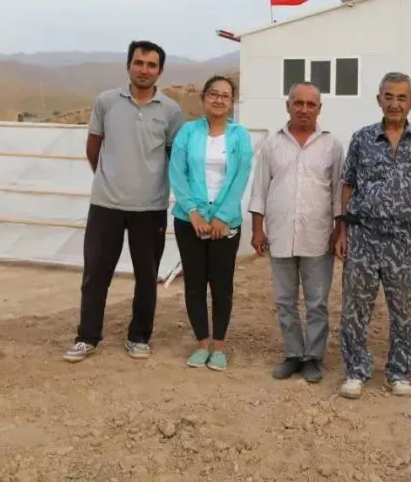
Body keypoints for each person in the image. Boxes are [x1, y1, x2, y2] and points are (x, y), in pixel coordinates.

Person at [64, 40, 184, 363]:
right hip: (106, 205)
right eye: (139, 63)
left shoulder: (171, 111)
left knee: (146, 276)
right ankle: (87, 336)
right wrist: (107, 178)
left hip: (150, 207)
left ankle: (139, 336)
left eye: (151, 65)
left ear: (160, 71)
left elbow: (173, 156)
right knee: (96, 274)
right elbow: (94, 147)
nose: (144, 70)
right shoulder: (106, 102)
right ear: (128, 65)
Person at [335, 72, 411, 399]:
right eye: (389, 96)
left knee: (402, 311)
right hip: (364, 236)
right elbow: (348, 184)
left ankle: (399, 373)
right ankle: (356, 370)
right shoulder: (362, 139)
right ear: (379, 100)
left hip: (404, 239)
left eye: (402, 98)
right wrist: (343, 231)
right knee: (355, 309)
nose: (395, 104)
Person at [249, 81, 344, 383]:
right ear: (287, 105)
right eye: (298, 103)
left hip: (318, 236)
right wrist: (257, 229)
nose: (304, 109)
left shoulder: (332, 145)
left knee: (317, 302)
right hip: (280, 235)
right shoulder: (271, 145)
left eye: (310, 104)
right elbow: (259, 189)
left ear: (319, 109)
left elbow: (339, 193)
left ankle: (313, 357)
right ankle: (292, 354)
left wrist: (340, 231)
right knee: (285, 300)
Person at [167, 75, 253, 371]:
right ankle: (202, 344)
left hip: (225, 223)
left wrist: (221, 217)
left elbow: (241, 177)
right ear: (204, 98)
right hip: (188, 220)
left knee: (221, 285)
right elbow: (177, 173)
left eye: (225, 95)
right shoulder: (188, 132)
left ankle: (219, 347)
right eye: (213, 94)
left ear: (232, 102)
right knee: (194, 284)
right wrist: (192, 212)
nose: (218, 99)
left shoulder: (240, 136)